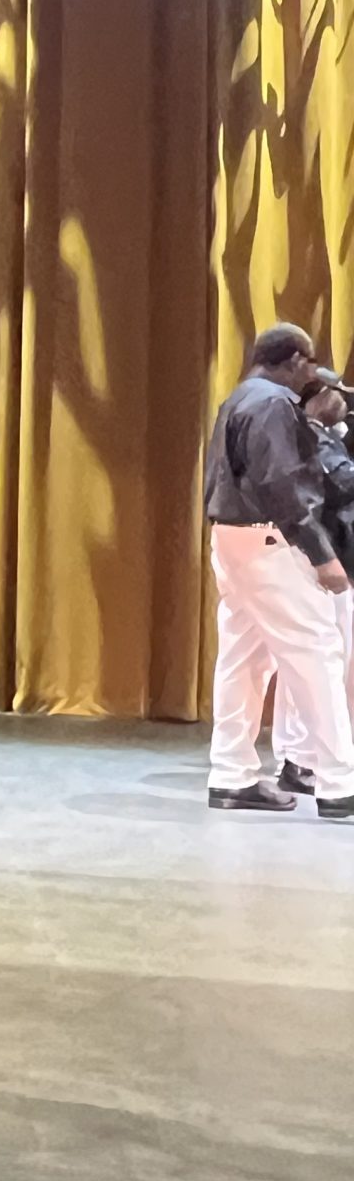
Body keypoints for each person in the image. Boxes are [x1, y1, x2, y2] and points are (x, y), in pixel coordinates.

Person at [204, 324, 354, 818]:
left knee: (244, 657)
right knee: (316, 654)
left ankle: (231, 774)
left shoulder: (239, 398)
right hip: (271, 540)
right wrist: (322, 555)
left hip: (231, 537)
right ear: (292, 359)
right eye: (309, 362)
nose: (311, 372)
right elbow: (283, 487)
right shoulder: (273, 405)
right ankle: (339, 784)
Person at [271, 368, 354, 793]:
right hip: (319, 561)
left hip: (330, 558)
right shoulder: (311, 437)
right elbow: (342, 482)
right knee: (316, 662)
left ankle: (303, 758)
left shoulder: (325, 433)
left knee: (325, 661)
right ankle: (298, 759)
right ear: (318, 398)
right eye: (337, 392)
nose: (344, 398)